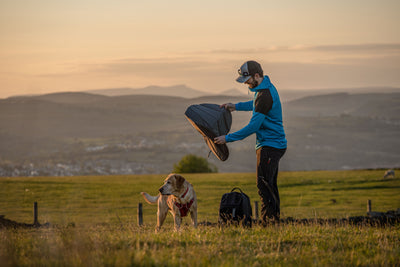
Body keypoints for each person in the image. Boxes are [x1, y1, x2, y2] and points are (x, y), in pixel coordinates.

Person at [214, 60, 287, 224]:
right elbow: (256, 104)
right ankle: (273, 221)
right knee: (269, 185)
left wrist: (227, 138)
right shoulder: (264, 89)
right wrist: (236, 106)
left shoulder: (264, 95)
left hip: (270, 146)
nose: (245, 84)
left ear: (256, 76)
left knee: (264, 186)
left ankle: (268, 223)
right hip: (274, 145)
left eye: (247, 80)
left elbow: (253, 126)